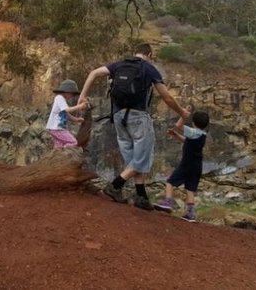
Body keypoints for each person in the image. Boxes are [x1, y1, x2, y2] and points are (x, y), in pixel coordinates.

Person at [79, 42, 190, 210]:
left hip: (117, 116)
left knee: (133, 159)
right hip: (138, 117)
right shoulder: (148, 68)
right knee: (143, 157)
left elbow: (94, 73)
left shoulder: (119, 64)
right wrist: (181, 112)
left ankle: (141, 197)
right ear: (150, 54)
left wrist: (82, 96)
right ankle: (115, 186)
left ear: (134, 52)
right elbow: (166, 97)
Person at [153, 106, 210, 222]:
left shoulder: (193, 132)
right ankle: (190, 213)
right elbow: (187, 141)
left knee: (170, 182)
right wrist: (175, 135)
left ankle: (168, 201)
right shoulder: (202, 135)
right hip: (197, 167)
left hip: (187, 164)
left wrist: (184, 114)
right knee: (190, 189)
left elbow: (178, 126)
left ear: (193, 122)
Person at [46, 79, 86, 148]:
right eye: (72, 94)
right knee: (73, 142)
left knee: (59, 146)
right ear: (67, 92)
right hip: (57, 128)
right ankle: (65, 154)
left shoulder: (60, 99)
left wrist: (75, 119)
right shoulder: (59, 98)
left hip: (53, 128)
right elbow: (67, 110)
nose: (72, 96)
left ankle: (58, 156)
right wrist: (79, 107)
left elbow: (65, 114)